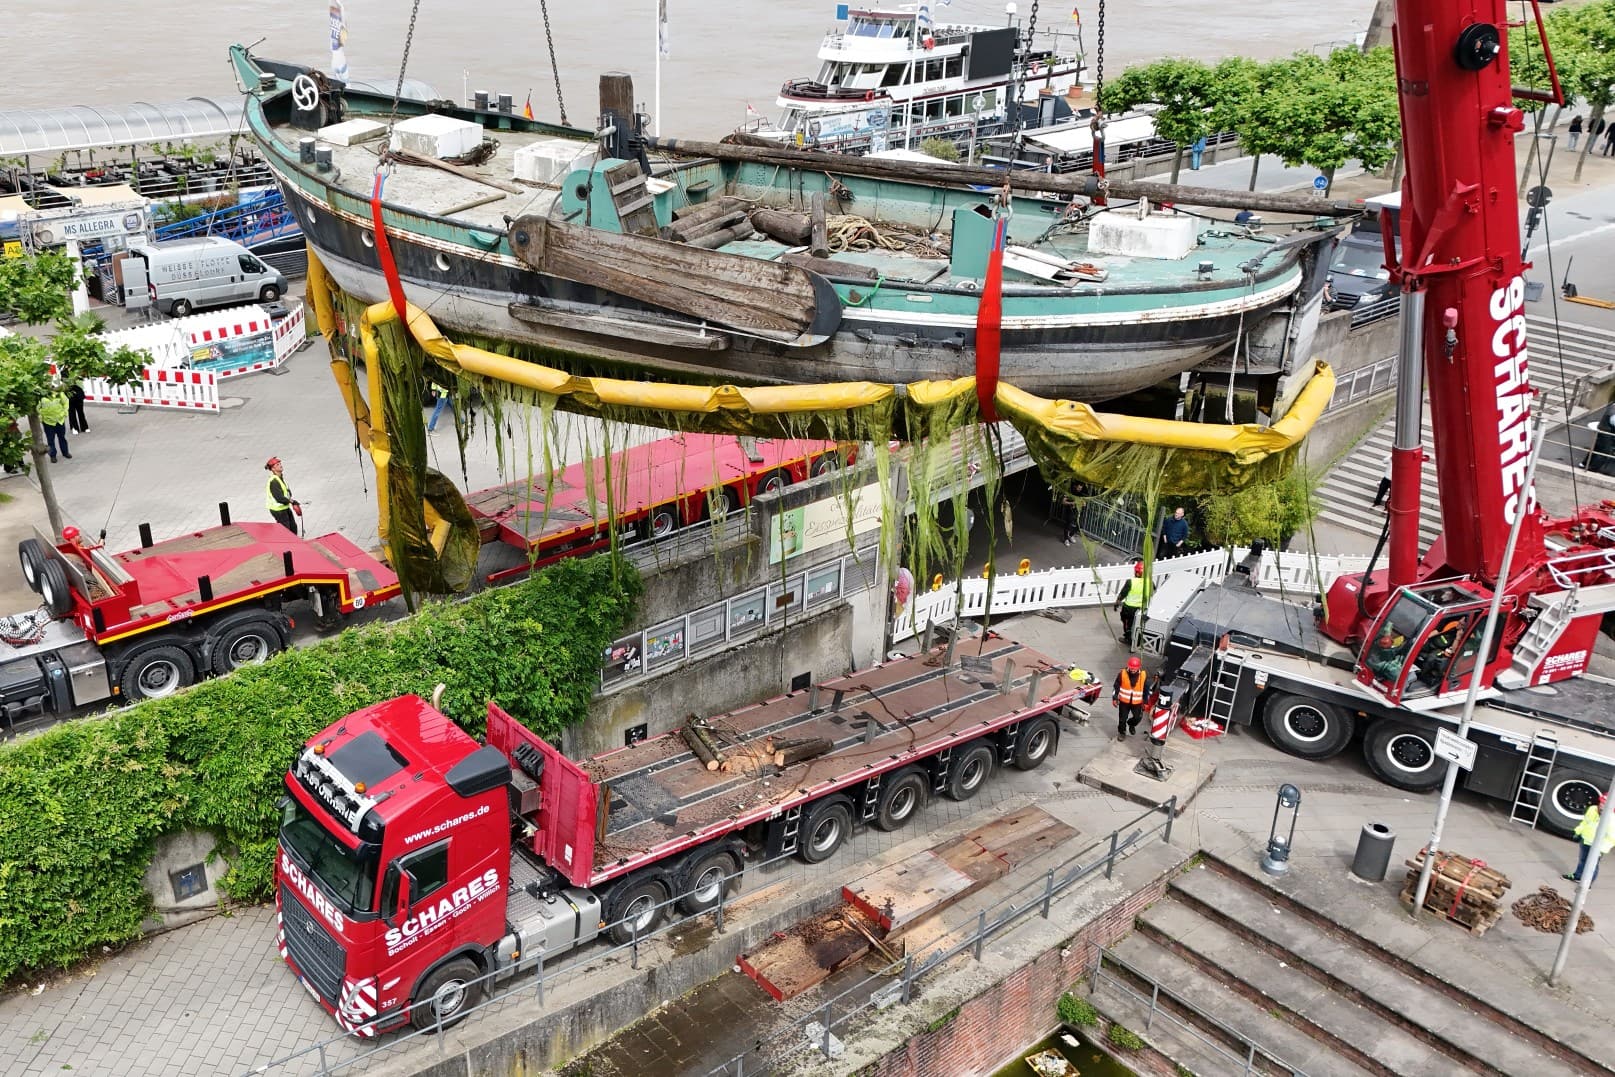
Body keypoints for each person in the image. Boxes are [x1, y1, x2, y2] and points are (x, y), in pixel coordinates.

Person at [1564, 795, 1613, 885]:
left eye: (1605, 804)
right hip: (1586, 840)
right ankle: (1578, 876)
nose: (1602, 806)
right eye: (1602, 803)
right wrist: (1578, 832)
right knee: (1582, 860)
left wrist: (1602, 848)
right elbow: (1585, 822)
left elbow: (1612, 837)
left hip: (1598, 846)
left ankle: (1588, 883)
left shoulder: (1612, 818)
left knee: (1593, 864)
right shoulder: (1592, 809)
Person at [1113, 560, 1151, 644]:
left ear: (1137, 572)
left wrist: (1116, 603)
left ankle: (1128, 639)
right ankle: (1138, 639)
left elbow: (1122, 594)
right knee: (1138, 624)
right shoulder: (1150, 582)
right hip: (1141, 608)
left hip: (1129, 608)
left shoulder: (1131, 582)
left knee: (1127, 624)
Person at [1112, 655, 1150, 740]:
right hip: (1124, 702)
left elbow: (1147, 689)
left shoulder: (1143, 675)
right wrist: (1114, 698)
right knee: (1122, 719)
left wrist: (1146, 702)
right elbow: (1116, 686)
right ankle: (1122, 732)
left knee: (1137, 717)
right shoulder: (1122, 674)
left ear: (1138, 667)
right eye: (1131, 668)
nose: (1132, 670)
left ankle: (1131, 724)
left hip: (1137, 702)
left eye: (1134, 668)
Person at [265, 456, 300, 533]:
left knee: (293, 528)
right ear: (273, 469)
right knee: (286, 531)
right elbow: (279, 498)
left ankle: (293, 542)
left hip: (284, 507)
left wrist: (292, 501)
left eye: (280, 463)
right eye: (277, 465)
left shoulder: (281, 478)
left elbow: (287, 492)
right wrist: (291, 502)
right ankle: (286, 544)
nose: (280, 465)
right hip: (278, 510)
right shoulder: (274, 481)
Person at [39, 390, 71, 463]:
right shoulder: (41, 394)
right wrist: (41, 417)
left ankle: (65, 452)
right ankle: (53, 456)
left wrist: (65, 413)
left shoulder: (59, 393)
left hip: (59, 421)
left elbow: (66, 402)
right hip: (48, 422)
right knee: (50, 440)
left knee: (62, 437)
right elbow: (38, 408)